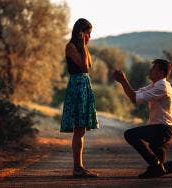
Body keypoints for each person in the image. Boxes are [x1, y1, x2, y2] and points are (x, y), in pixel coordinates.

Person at [113, 59, 172, 178]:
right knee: (162, 168)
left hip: (162, 129)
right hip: (161, 129)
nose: (150, 71)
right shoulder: (155, 85)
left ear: (161, 73)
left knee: (130, 134)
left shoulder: (162, 86)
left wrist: (123, 80)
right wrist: (123, 82)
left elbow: (134, 98)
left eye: (153, 69)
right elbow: (134, 94)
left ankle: (155, 165)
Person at [60, 18, 99, 178]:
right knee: (79, 129)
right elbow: (83, 67)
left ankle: (79, 167)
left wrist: (85, 46)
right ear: (80, 32)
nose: (89, 37)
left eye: (90, 34)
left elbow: (88, 65)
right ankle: (78, 168)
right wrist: (83, 44)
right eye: (87, 33)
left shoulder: (84, 48)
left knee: (81, 129)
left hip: (84, 85)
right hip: (77, 86)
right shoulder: (70, 46)